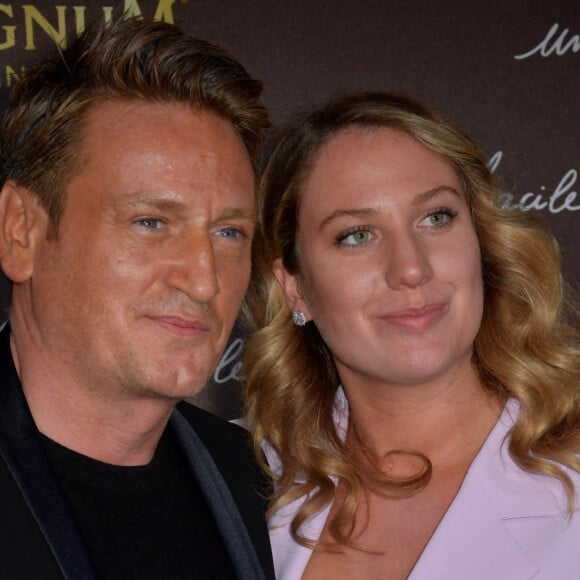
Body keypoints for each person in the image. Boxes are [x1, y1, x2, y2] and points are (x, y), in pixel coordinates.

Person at [244, 92, 580, 579]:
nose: (410, 269)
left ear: (481, 242)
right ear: (295, 288)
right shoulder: (235, 482)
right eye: (357, 234)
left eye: (436, 217)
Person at [0, 16, 274, 580]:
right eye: (151, 222)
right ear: (19, 232)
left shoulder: (249, 480)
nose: (205, 282)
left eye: (229, 232)